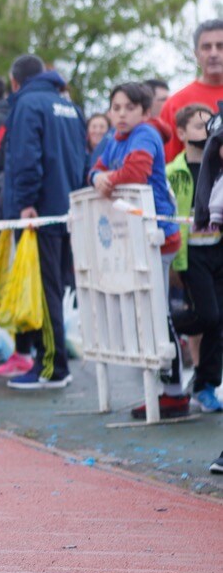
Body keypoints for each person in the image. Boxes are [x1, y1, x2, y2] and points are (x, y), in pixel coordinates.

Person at [90, 82, 185, 418]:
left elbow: (136, 173)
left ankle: (174, 392)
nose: (121, 114)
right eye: (116, 107)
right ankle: (163, 389)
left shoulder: (145, 134)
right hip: (133, 238)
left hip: (157, 236)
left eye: (129, 107)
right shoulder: (115, 139)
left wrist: (106, 180)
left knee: (157, 314)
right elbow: (96, 168)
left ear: (145, 112)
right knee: (145, 313)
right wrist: (96, 178)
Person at [2, 54, 86, 390]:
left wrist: (25, 203)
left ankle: (52, 365)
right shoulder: (70, 108)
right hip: (66, 209)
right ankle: (50, 360)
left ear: (14, 81)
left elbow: (26, 158)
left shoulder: (28, 105)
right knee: (54, 287)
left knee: (45, 289)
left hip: (39, 212)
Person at [168, 103, 219, 414]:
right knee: (210, 317)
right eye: (199, 126)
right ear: (182, 132)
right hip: (192, 255)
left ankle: (205, 386)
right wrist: (174, 261)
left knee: (219, 321)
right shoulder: (172, 172)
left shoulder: (220, 165)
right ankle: (167, 325)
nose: (206, 131)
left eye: (209, 125)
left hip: (218, 249)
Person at [160, 19, 223, 161]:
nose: (213, 53)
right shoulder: (174, 105)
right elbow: (167, 164)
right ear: (196, 54)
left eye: (220, 46)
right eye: (206, 47)